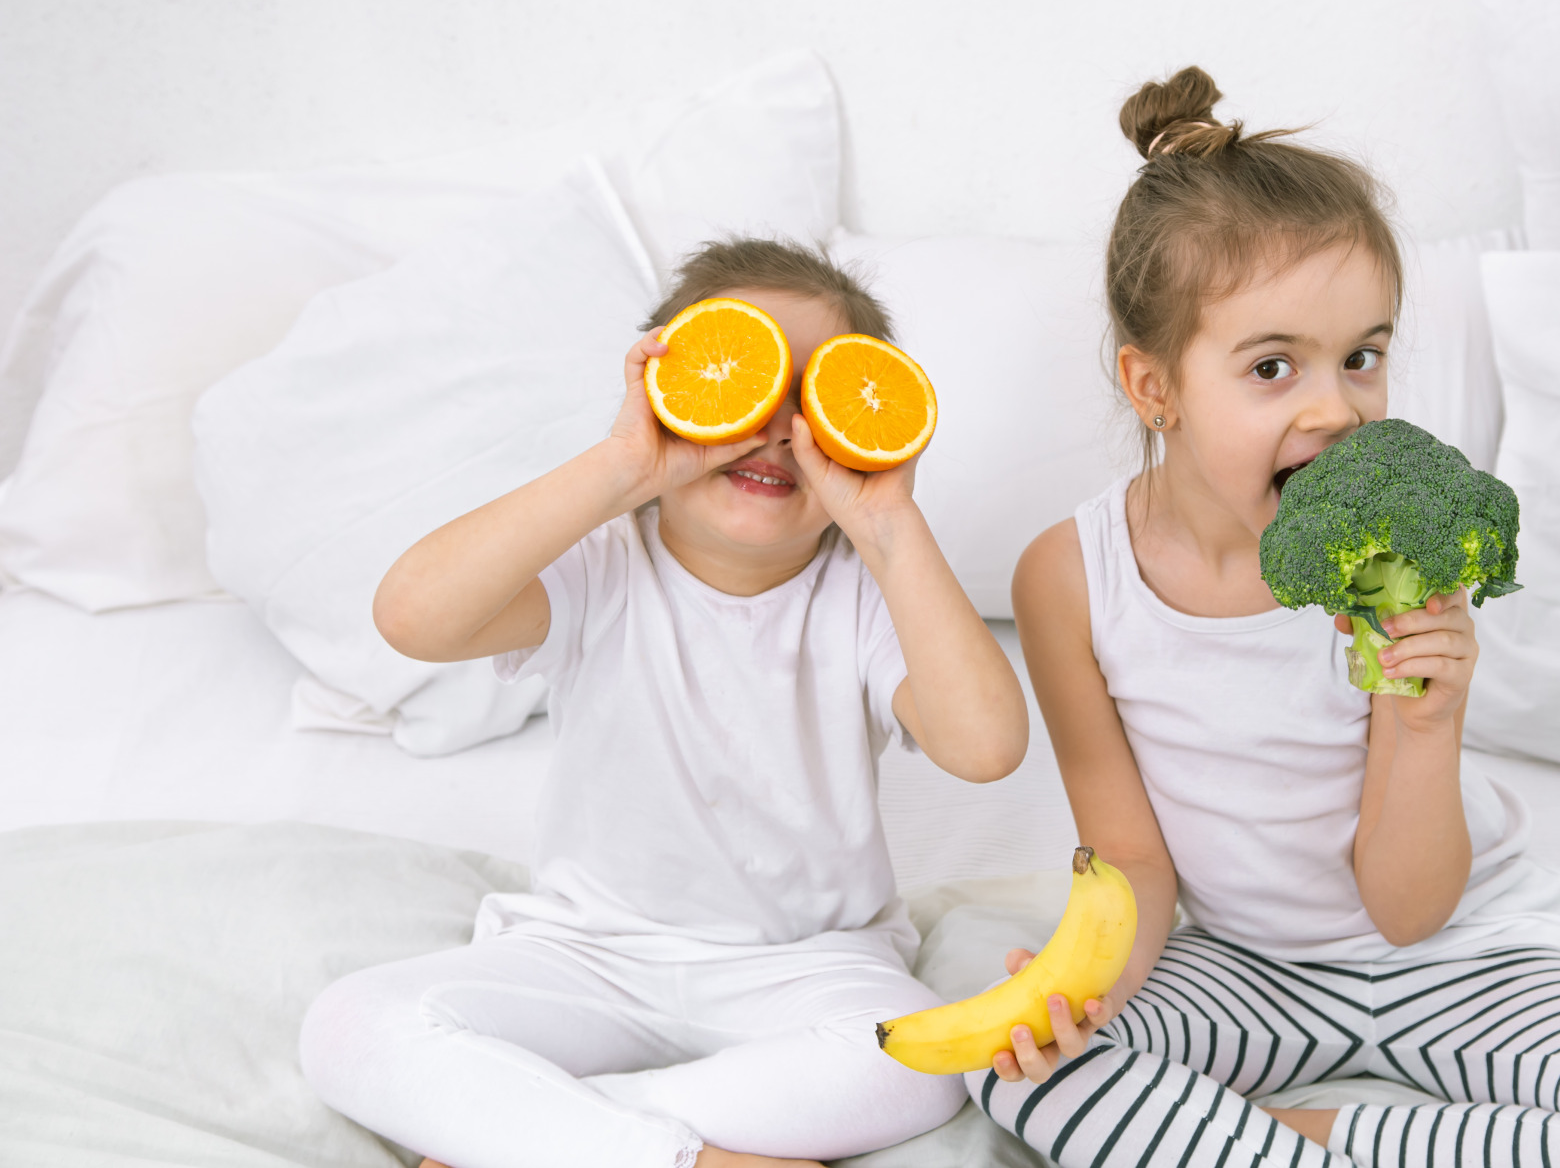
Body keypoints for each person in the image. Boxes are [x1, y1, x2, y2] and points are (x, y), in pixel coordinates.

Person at [972, 68, 1560, 1168]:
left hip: (1466, 956)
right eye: (1269, 366)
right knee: (1013, 1064)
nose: (1333, 407)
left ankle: (1305, 1141)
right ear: (1151, 386)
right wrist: (1082, 986)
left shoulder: (1388, 561)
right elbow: (1130, 860)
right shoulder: (1066, 578)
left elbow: (1406, 909)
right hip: (1244, 969)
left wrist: (1431, 716)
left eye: (1361, 356)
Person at [299, 238, 1029, 1168]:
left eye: (817, 407)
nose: (775, 431)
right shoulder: (604, 566)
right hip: (587, 957)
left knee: (921, 1062)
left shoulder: (866, 594)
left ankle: (553, 1134)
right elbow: (412, 617)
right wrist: (620, 468)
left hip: (807, 965)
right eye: (741, 385)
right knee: (351, 1024)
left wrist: (890, 526)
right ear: (668, 388)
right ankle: (680, 1158)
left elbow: (987, 746)